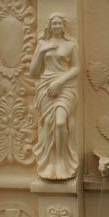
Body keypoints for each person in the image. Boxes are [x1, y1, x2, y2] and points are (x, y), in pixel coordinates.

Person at [29, 13, 79, 180]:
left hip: (65, 87)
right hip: (45, 87)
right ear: (50, 26)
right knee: (47, 124)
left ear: (64, 26)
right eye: (54, 23)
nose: (57, 26)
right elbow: (34, 72)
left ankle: (61, 160)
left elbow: (76, 68)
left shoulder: (71, 45)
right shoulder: (43, 45)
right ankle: (50, 162)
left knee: (59, 122)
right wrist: (40, 52)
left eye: (60, 23)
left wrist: (59, 82)